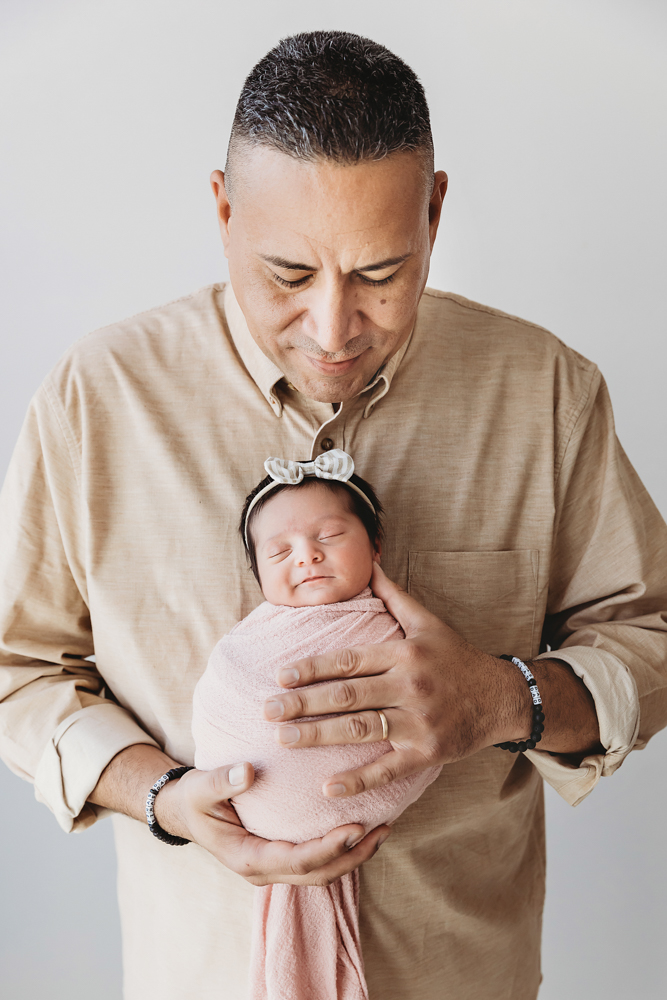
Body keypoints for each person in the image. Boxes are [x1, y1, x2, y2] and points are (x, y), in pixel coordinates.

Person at [0, 29, 666, 1000]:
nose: (332, 328)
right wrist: (161, 795)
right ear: (222, 210)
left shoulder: (547, 391)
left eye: (381, 274)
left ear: (435, 211)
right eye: (288, 275)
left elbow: (650, 637)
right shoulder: (96, 399)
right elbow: (19, 671)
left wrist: (502, 697)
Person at [192, 452, 440, 1000]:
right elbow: (221, 699)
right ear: (258, 574)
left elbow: (433, 718)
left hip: (441, 938)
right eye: (280, 551)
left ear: (376, 546)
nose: (306, 556)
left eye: (330, 535)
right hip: (199, 933)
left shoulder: (397, 632)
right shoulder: (247, 642)